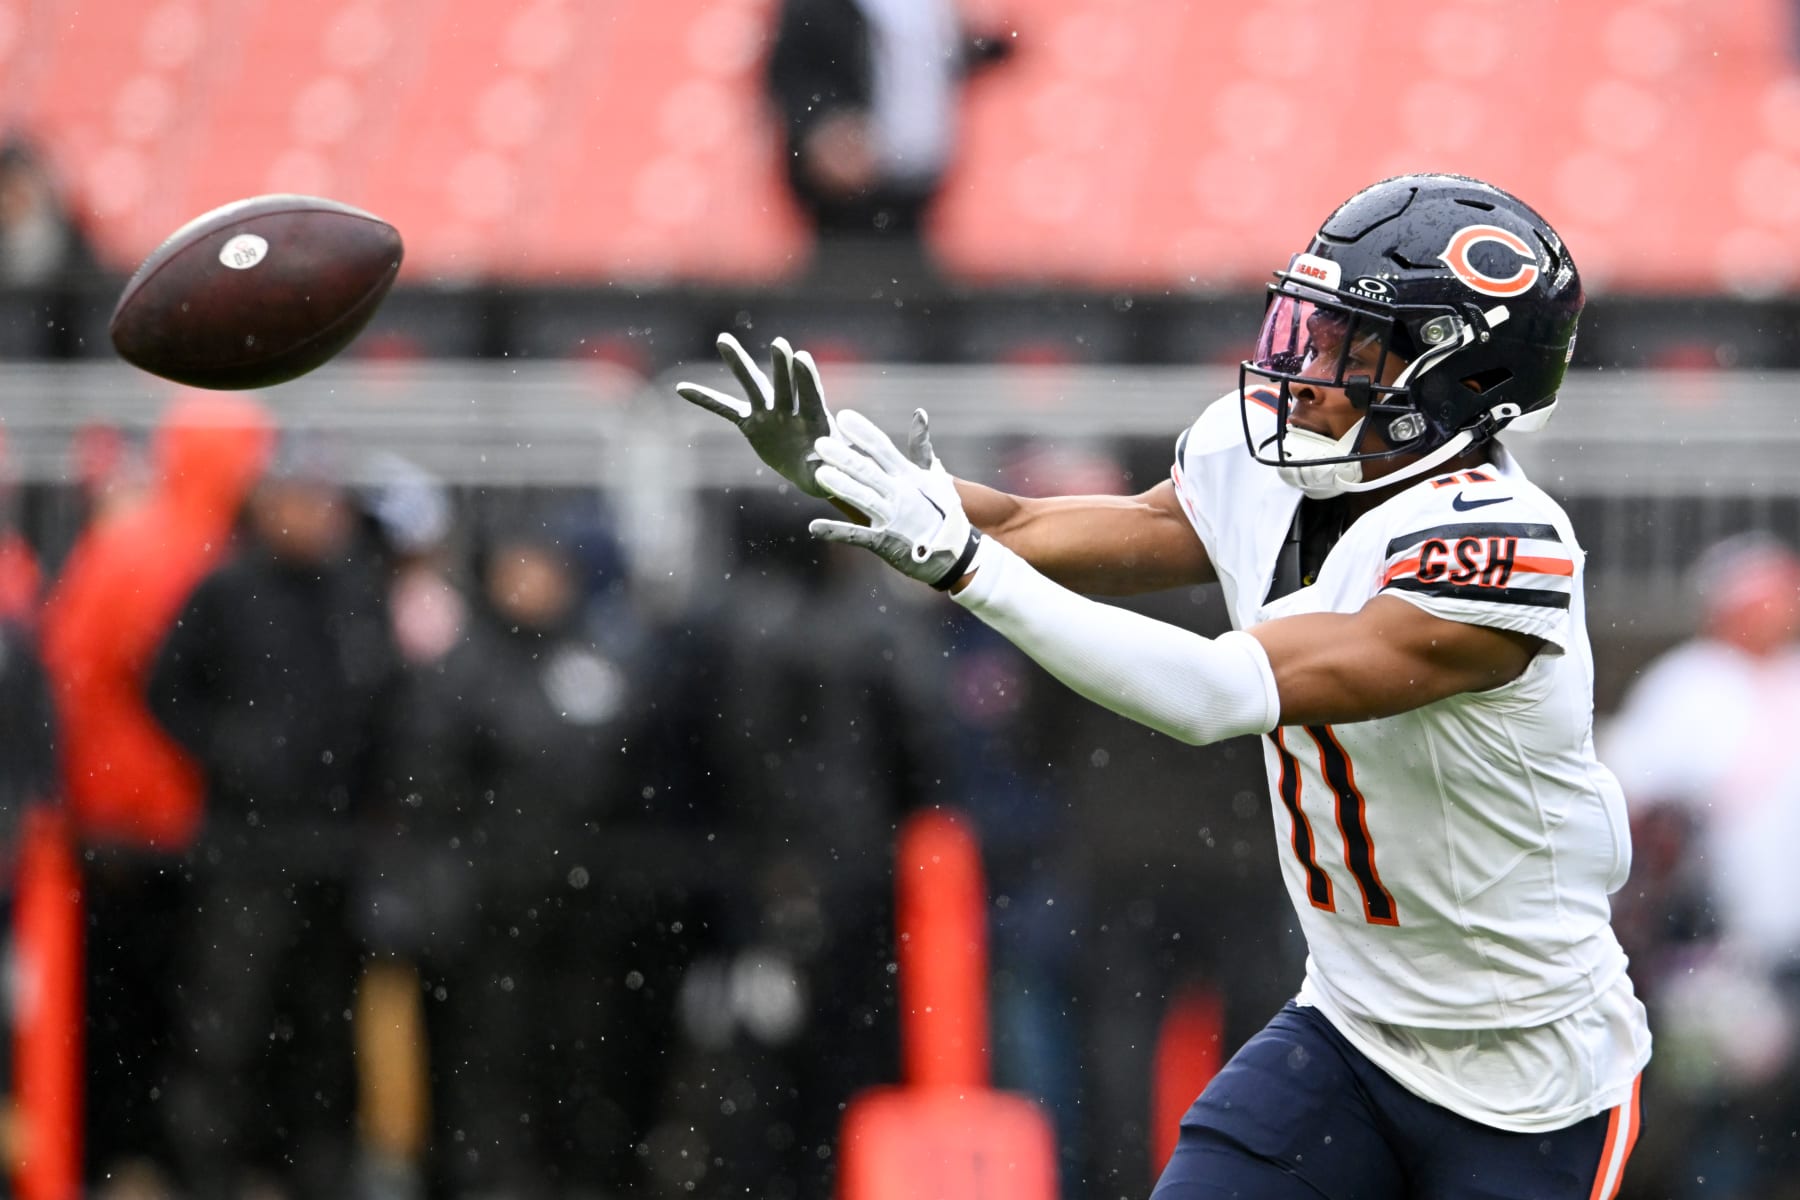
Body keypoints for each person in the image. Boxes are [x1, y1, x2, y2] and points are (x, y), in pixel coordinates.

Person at [677, 173, 1651, 1199]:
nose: (1304, 366)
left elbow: (1217, 693)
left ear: (1457, 378)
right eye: (1309, 328)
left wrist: (964, 567)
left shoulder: (1502, 547)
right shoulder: (1273, 464)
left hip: (1531, 1079)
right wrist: (878, 484)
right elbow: (1047, 528)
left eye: (1349, 345)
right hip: (1353, 1031)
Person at [148, 437, 394, 1200]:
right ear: (264, 504)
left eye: (324, 501)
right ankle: (208, 1175)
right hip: (245, 846)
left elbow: (386, 702)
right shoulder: (225, 589)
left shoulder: (357, 591)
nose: (313, 516)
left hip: (332, 846)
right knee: (226, 1025)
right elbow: (166, 689)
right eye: (297, 498)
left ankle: (313, 1172)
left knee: (325, 1026)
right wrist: (232, 752)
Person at [1601, 533, 1800, 1199]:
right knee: (1723, 1105)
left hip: (1789, 930)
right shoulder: (1686, 685)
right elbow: (1631, 801)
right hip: (1716, 948)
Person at [765, 0, 1012, 281]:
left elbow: (941, 59)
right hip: (851, 190)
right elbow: (792, 73)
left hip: (917, 182)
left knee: (906, 282)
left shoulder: (930, 10)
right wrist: (819, 127)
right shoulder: (819, 8)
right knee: (849, 281)